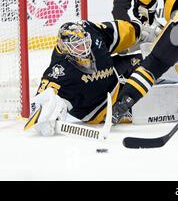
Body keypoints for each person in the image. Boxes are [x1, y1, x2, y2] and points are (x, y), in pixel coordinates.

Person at [24, 19, 153, 136]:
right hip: (99, 109)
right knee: (145, 106)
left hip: (112, 77)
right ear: (64, 47)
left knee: (151, 61)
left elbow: (116, 31)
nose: (85, 48)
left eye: (85, 43)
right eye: (78, 46)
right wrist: (42, 118)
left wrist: (139, 30)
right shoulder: (58, 71)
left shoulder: (91, 32)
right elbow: (40, 101)